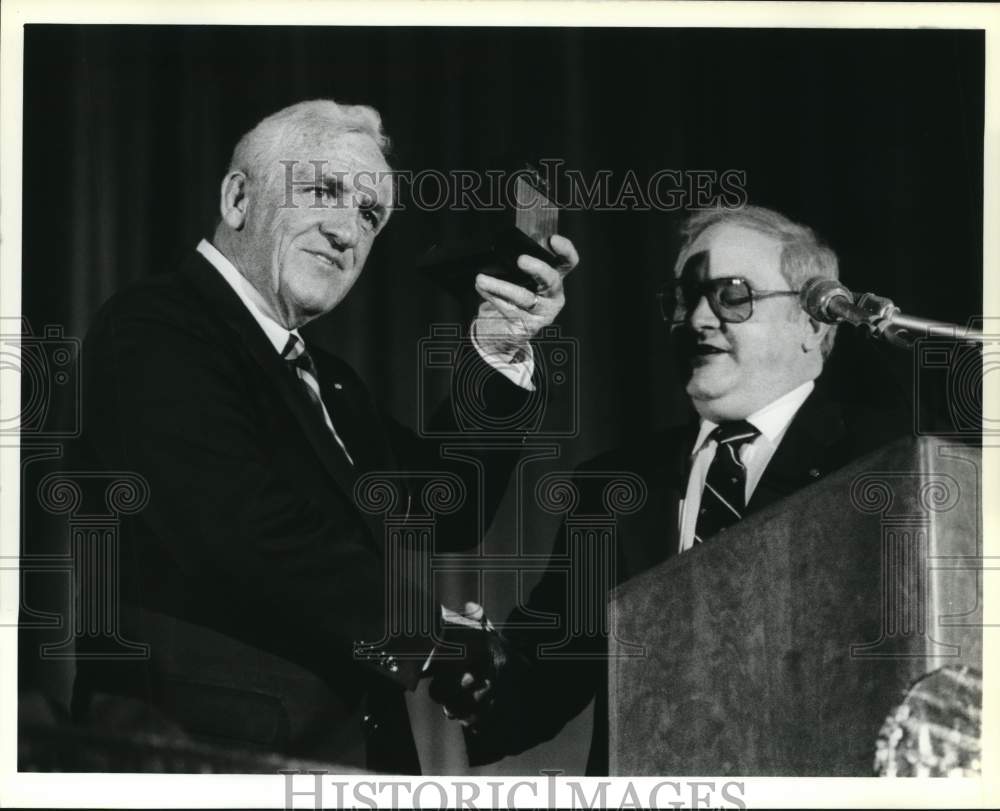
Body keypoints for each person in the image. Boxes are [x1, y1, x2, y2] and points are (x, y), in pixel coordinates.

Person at [71, 99, 578, 773]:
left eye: (369, 215)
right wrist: (431, 637)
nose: (346, 231)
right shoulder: (154, 327)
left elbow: (446, 505)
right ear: (237, 197)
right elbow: (237, 526)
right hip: (206, 762)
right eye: (321, 191)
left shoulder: (328, 381)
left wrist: (501, 342)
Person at [432, 205, 905, 774]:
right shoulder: (612, 486)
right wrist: (481, 670)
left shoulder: (887, 466)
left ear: (814, 323)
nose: (700, 319)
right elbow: (543, 686)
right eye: (687, 297)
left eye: (733, 295)